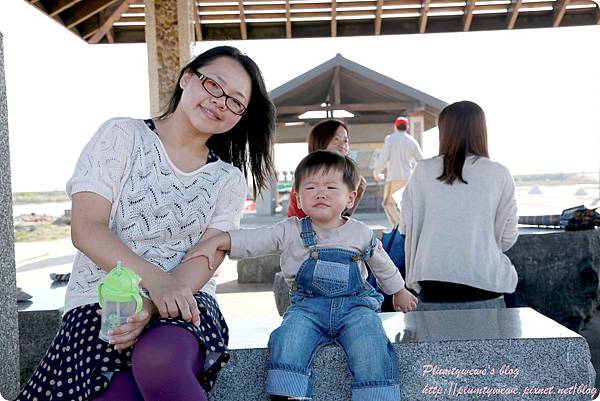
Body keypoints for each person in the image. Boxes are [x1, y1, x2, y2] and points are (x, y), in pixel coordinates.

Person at [15, 46, 276, 401]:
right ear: (187, 77)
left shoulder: (228, 180)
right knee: (117, 393)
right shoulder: (122, 136)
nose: (220, 101)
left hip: (185, 301)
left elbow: (207, 256)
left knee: (161, 358)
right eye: (214, 85)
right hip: (101, 302)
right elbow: (87, 228)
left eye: (235, 101)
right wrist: (154, 283)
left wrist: (157, 302)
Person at [184, 150, 418, 401]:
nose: (321, 192)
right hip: (307, 308)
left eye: (330, 187)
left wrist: (399, 290)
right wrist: (223, 239)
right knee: (289, 339)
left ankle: (376, 394)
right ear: (298, 197)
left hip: (356, 307)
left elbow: (383, 264)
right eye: (311, 187)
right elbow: (256, 239)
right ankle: (288, 393)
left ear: (350, 198)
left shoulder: (360, 233)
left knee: (370, 341)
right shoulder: (290, 230)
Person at [401, 101, 518, 310]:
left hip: (432, 282)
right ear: (481, 130)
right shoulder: (499, 173)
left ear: (443, 131)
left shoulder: (422, 171)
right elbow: (507, 239)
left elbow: (405, 228)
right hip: (484, 282)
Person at [287, 119, 366, 218]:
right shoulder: (307, 175)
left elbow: (341, 218)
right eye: (336, 139)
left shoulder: (350, 177)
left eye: (345, 140)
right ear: (321, 141)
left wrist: (357, 193)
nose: (342, 145)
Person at [373, 116, 423, 227]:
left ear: (395, 126)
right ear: (407, 127)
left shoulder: (390, 139)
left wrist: (377, 173)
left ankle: (400, 227)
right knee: (406, 206)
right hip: (408, 178)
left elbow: (383, 158)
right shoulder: (412, 141)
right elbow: (422, 161)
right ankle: (406, 226)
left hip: (394, 177)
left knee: (388, 204)